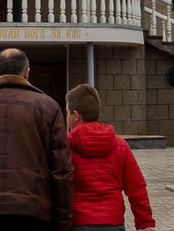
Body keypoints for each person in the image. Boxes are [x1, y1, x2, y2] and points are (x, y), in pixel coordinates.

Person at [0, 48, 74, 231]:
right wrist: (64, 221)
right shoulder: (48, 106)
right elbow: (62, 169)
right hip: (33, 209)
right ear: (27, 73)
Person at [65, 83, 154, 231]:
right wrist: (145, 224)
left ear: (76, 116)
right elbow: (137, 188)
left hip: (78, 222)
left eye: (67, 112)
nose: (66, 116)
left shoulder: (66, 147)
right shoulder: (120, 145)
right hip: (113, 223)